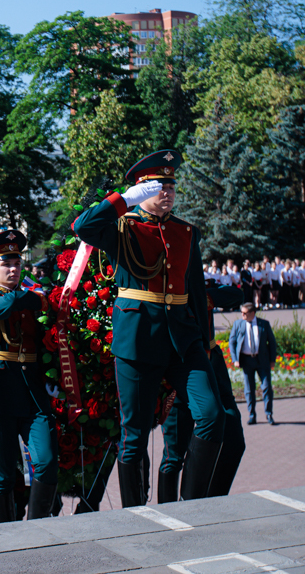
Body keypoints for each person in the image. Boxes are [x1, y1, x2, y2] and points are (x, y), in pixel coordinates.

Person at [73, 149, 224, 506]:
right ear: (141, 190)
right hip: (139, 338)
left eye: (171, 185)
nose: (168, 192)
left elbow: (196, 290)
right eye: (158, 186)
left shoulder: (186, 232)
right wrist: (123, 201)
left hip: (184, 340)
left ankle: (194, 504)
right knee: (134, 436)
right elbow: (83, 227)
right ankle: (134, 514)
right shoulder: (122, 229)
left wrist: (205, 341)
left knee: (211, 416)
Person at [0, 230, 58, 521]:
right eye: (5, 264)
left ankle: (36, 524)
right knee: (5, 474)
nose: (13, 269)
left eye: (17, 263)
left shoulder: (30, 296)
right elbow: (5, 305)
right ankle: (4, 538)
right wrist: (35, 298)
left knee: (45, 459)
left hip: (31, 388)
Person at [157, 283, 247, 503]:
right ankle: (167, 512)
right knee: (174, 455)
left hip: (211, 363)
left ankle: (207, 501)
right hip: (179, 368)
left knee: (234, 439)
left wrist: (204, 295)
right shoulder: (164, 283)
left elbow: (236, 295)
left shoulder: (201, 283)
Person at [229, 303, 278, 426]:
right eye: (241, 312)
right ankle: (252, 415)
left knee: (266, 387)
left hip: (262, 360)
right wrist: (235, 359)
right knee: (249, 389)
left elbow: (272, 343)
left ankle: (269, 414)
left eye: (245, 313)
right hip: (247, 361)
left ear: (252, 313)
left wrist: (272, 360)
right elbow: (232, 341)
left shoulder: (264, 324)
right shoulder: (238, 324)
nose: (242, 315)